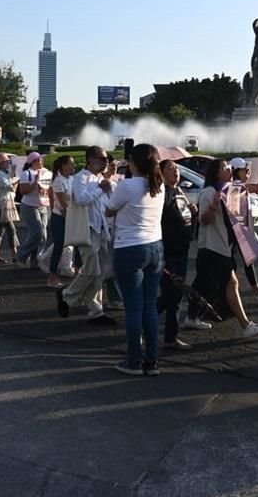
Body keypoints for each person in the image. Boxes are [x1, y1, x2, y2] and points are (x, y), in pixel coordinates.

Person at [184, 159, 258, 338]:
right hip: (213, 247)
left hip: (222, 246)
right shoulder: (209, 192)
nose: (229, 170)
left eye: (229, 167)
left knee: (203, 285)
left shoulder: (229, 190)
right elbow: (204, 220)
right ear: (216, 173)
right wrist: (214, 205)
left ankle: (190, 317)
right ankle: (246, 325)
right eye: (225, 168)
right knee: (232, 283)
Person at [106, 144, 165, 375]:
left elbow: (109, 210)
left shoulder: (127, 185)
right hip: (155, 247)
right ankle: (152, 361)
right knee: (149, 306)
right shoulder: (159, 185)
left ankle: (134, 361)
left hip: (130, 248)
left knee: (133, 308)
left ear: (134, 163)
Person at [56, 146, 117, 326]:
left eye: (106, 159)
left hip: (101, 228)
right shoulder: (80, 178)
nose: (105, 162)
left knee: (100, 273)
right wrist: (100, 188)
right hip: (87, 229)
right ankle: (67, 295)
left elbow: (108, 204)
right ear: (91, 159)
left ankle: (96, 311)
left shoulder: (100, 179)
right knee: (92, 269)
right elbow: (82, 200)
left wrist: (107, 188)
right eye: (102, 159)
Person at [158, 159, 195, 349]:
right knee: (170, 295)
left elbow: (184, 216)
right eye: (170, 168)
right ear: (161, 172)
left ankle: (171, 338)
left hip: (182, 250)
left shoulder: (179, 191)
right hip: (168, 252)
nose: (176, 171)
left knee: (177, 296)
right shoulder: (162, 193)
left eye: (177, 168)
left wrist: (192, 211)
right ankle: (141, 321)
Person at [228, 157, 258, 303]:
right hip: (238, 230)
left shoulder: (236, 186)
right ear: (237, 171)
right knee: (240, 262)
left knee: (245, 261)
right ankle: (246, 292)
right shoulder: (236, 186)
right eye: (245, 170)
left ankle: (253, 291)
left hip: (238, 230)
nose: (248, 172)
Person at [16, 151, 51, 268]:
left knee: (42, 235)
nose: (41, 161)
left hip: (43, 205)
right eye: (39, 160)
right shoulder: (27, 174)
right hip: (29, 206)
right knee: (37, 233)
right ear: (32, 162)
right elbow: (23, 191)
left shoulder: (46, 172)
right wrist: (35, 182)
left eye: (42, 159)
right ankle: (21, 255)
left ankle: (34, 260)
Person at [47, 155, 75, 288]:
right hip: (59, 217)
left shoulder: (72, 179)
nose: (73, 166)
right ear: (63, 166)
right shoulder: (58, 181)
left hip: (70, 216)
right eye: (70, 164)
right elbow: (63, 203)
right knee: (59, 246)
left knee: (70, 245)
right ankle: (52, 277)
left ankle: (69, 270)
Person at [0, 153, 20, 263]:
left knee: (0, 231)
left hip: (6, 204)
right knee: (10, 230)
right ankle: (14, 254)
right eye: (7, 162)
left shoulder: (3, 173)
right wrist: (15, 177)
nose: (8, 163)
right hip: (2, 205)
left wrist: (13, 176)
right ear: (0, 163)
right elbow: (9, 186)